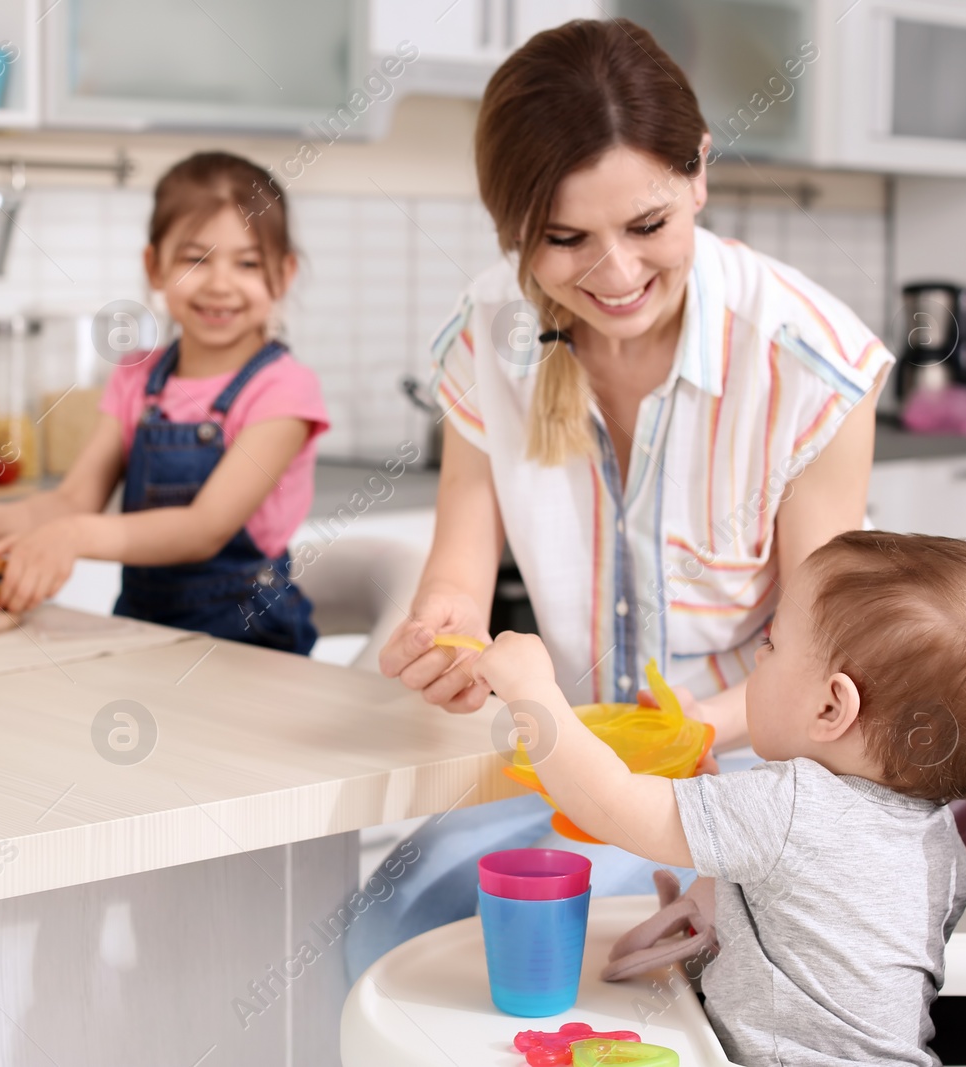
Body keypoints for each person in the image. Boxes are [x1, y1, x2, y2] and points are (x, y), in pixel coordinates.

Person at [349, 19, 894, 975]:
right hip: (571, 767)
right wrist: (441, 641)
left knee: (581, 971)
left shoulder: (811, 366)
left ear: (699, 176)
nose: (615, 275)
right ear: (514, 229)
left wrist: (676, 733)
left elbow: (824, 671)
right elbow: (456, 581)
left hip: (761, 783)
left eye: (647, 226)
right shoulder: (491, 333)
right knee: (389, 928)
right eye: (564, 240)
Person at [475, 531, 966, 1067]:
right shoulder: (938, 841)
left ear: (831, 708)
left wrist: (532, 694)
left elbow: (610, 804)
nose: (758, 657)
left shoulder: (791, 807)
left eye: (773, 643)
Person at [0, 152, 328, 653]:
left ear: (283, 274)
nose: (220, 284)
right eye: (194, 259)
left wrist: (71, 537)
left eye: (247, 263)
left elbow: (203, 530)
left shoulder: (283, 390)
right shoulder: (138, 376)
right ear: (154, 267)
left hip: (251, 643)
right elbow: (72, 500)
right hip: (146, 631)